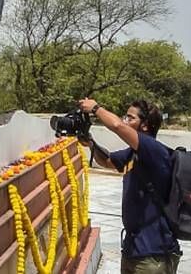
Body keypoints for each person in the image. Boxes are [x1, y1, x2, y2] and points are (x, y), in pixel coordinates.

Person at [78, 97, 181, 273]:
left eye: (130, 118)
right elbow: (108, 161)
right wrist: (90, 142)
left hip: (153, 255)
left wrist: (95, 108)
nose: (125, 121)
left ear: (146, 125)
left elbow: (117, 126)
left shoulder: (154, 151)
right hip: (133, 250)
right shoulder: (133, 154)